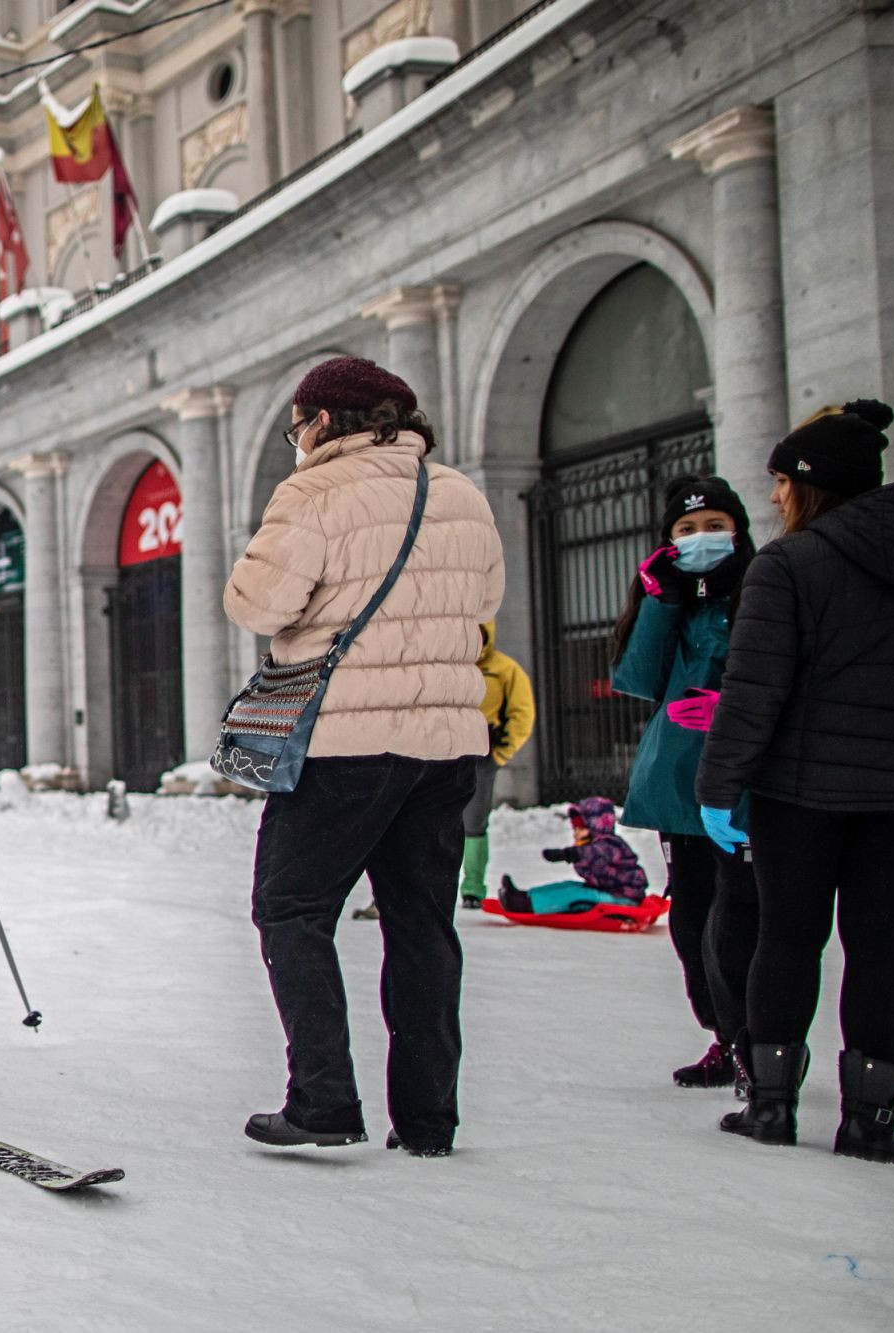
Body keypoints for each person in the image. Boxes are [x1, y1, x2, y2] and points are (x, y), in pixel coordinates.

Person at [225, 357, 505, 1158]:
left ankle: (324, 1098)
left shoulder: (313, 492)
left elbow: (256, 602)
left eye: (297, 426)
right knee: (422, 926)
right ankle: (427, 1119)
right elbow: (483, 605)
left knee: (291, 908)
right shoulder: (458, 492)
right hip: (444, 748)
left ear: (323, 421)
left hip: (345, 745)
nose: (296, 442)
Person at [698, 400, 894, 1166]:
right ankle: (869, 1122)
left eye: (779, 482)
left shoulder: (789, 564)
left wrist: (716, 787)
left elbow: (753, 691)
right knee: (882, 946)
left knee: (788, 936)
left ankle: (770, 1107)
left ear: (813, 485)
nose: (772, 497)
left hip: (799, 794)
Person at [606, 475, 761, 1088]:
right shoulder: (667, 597)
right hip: (676, 781)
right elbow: (640, 678)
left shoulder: (761, 587)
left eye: (715, 526)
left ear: (737, 531)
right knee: (692, 919)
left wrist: (726, 704)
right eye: (687, 530)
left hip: (744, 783)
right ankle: (722, 1036)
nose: (702, 539)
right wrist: (660, 603)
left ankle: (758, 1040)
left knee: (741, 917)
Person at [352, 619, 534, 919]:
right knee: (415, 824)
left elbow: (521, 713)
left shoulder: (503, 669)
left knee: (473, 823)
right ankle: (394, 897)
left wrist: (501, 753)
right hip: (434, 753)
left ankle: (472, 888)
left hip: (479, 756)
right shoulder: (444, 665)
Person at [495, 797, 647, 913]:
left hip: (624, 899)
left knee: (574, 892)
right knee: (568, 885)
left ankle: (526, 905)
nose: (576, 832)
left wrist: (566, 854)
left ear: (595, 826)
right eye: (575, 828)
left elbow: (592, 854)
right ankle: (525, 896)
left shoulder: (609, 845)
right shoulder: (595, 843)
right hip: (609, 891)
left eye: (581, 828)